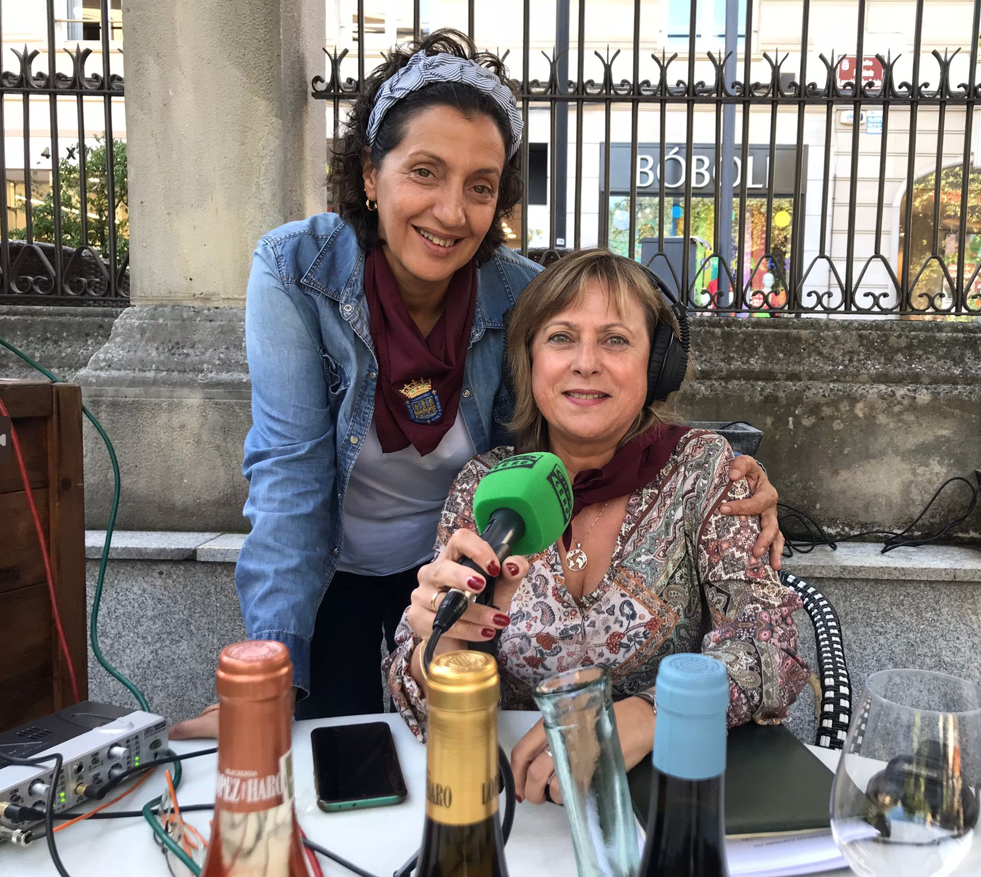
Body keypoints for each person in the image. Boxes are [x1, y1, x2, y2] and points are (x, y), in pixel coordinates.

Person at [171, 30, 783, 739]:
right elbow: (291, 475)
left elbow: (583, 421)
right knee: (335, 746)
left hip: (465, 545)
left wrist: (724, 472)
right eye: (424, 171)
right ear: (370, 173)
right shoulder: (297, 270)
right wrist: (272, 674)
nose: (451, 212)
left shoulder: (521, 294)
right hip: (337, 562)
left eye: (480, 187)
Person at [387, 249, 809, 804]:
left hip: (663, 796)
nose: (586, 363)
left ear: (657, 365)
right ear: (530, 360)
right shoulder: (483, 486)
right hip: (520, 800)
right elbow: (412, 694)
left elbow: (771, 650)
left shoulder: (707, 471)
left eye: (615, 340)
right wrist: (436, 651)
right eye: (561, 337)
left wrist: (655, 714)